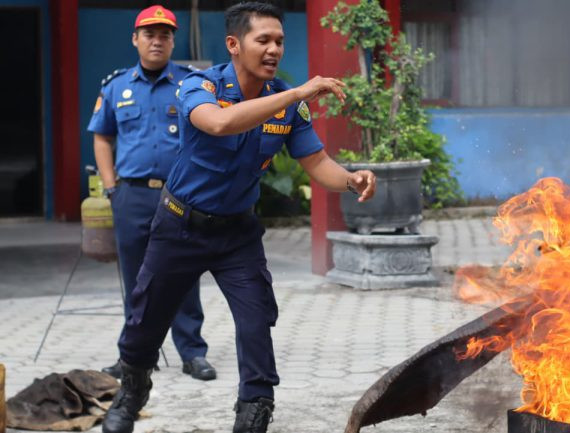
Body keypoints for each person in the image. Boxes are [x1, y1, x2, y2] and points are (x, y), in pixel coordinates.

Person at [101, 2, 376, 433]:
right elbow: (219, 124)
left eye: (280, 41)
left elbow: (318, 163)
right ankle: (131, 393)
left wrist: (351, 179)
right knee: (143, 320)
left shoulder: (286, 106)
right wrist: (296, 93)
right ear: (234, 44)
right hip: (179, 226)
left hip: (237, 234)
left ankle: (254, 415)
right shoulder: (199, 85)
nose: (273, 50)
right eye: (262, 40)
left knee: (256, 321)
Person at [87, 5, 217, 382]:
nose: (157, 41)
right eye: (149, 34)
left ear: (173, 40)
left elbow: (211, 135)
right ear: (136, 39)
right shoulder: (116, 87)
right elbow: (102, 137)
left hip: (180, 196)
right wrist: (112, 189)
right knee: (136, 277)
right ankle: (135, 357)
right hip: (132, 196)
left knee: (184, 274)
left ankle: (193, 353)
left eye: (164, 35)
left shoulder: (193, 84)